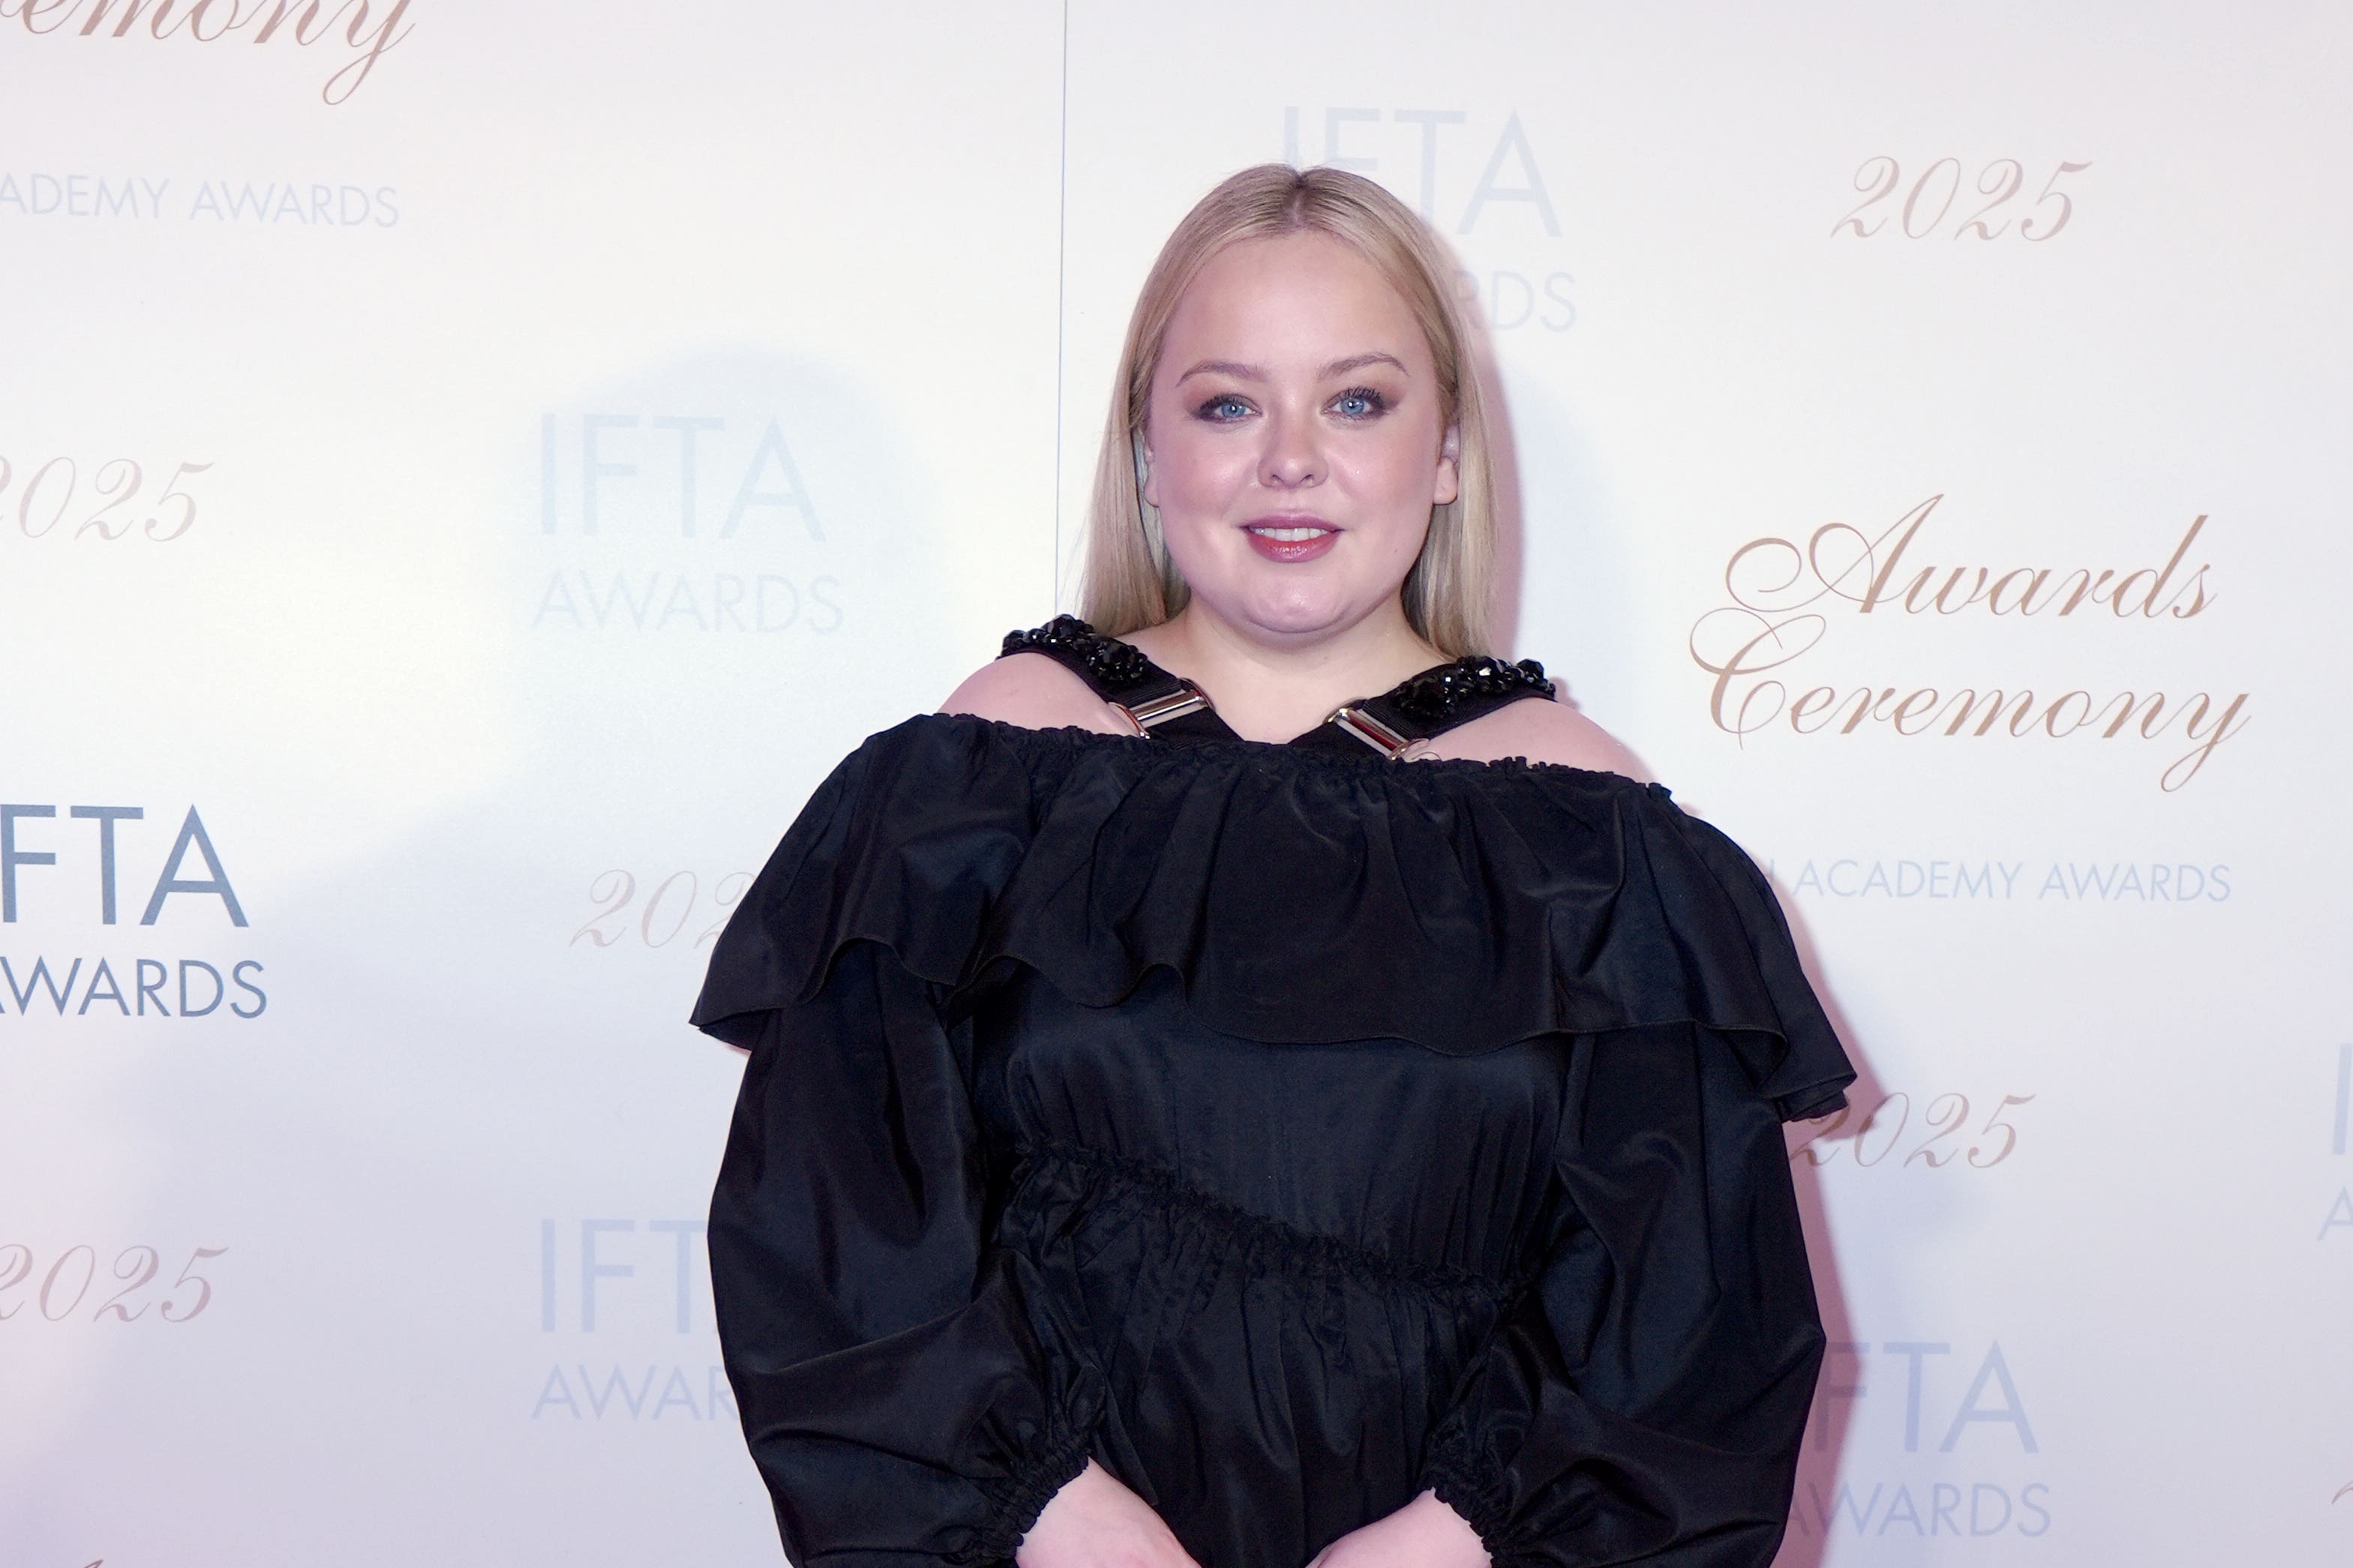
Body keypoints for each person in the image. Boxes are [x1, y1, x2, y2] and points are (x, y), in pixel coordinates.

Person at [690, 163, 1855, 1568]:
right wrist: (1055, 1515)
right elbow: (836, 1221)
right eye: (1227, 403)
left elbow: (1686, 1306)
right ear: (1146, 455)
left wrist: (1450, 1540)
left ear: (1444, 455)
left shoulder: (1593, 823)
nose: (1289, 459)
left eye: (1355, 401)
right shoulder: (977, 772)